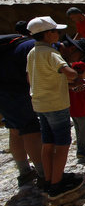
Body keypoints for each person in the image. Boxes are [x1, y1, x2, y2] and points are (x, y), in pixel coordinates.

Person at [26, 16, 84, 199]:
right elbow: (71, 73)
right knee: (63, 144)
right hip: (56, 104)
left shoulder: (32, 53)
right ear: (47, 34)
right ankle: (57, 185)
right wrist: (76, 78)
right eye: (55, 31)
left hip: (40, 104)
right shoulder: (51, 54)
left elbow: (30, 79)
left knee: (48, 142)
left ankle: (49, 179)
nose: (58, 34)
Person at [0, 28, 45, 188]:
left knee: (14, 130)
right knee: (31, 131)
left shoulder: (14, 44)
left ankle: (24, 171)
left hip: (4, 92)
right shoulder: (34, 47)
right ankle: (44, 174)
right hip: (19, 92)